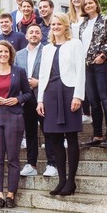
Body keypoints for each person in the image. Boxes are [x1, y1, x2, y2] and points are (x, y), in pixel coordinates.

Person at [37, 13, 85, 195]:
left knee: (71, 137)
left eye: (59, 24)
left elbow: (81, 70)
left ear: (66, 26)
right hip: (50, 93)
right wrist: (40, 99)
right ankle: (61, 180)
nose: (55, 27)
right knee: (55, 138)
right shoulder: (47, 48)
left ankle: (71, 181)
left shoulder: (75, 44)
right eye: (53, 24)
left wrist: (78, 96)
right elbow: (42, 75)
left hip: (68, 91)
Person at [0, 41, 31, 209]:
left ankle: (11, 195)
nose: (3, 54)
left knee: (14, 158)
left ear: (10, 54)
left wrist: (17, 99)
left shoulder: (19, 72)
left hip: (14, 117)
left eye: (6, 51)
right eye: (0, 51)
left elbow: (28, 94)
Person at [16, 24, 58, 178]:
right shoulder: (19, 54)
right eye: (31, 32)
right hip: (26, 98)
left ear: (42, 35)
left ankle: (52, 163)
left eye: (37, 32)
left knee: (48, 130)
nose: (34, 34)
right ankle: (31, 164)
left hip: (44, 96)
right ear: (26, 36)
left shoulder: (48, 51)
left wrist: (38, 82)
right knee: (30, 132)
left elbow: (54, 73)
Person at [79, 0, 107, 148]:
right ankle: (97, 135)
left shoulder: (105, 20)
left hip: (103, 65)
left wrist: (103, 55)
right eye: (85, 4)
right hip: (88, 66)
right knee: (93, 103)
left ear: (96, 4)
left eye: (90, 3)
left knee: (105, 100)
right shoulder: (83, 24)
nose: (88, 6)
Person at [68, 0, 92, 124]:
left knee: (86, 82)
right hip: (73, 52)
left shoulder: (87, 16)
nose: (77, 0)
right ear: (71, 1)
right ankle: (83, 111)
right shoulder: (70, 17)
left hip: (86, 52)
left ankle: (87, 112)